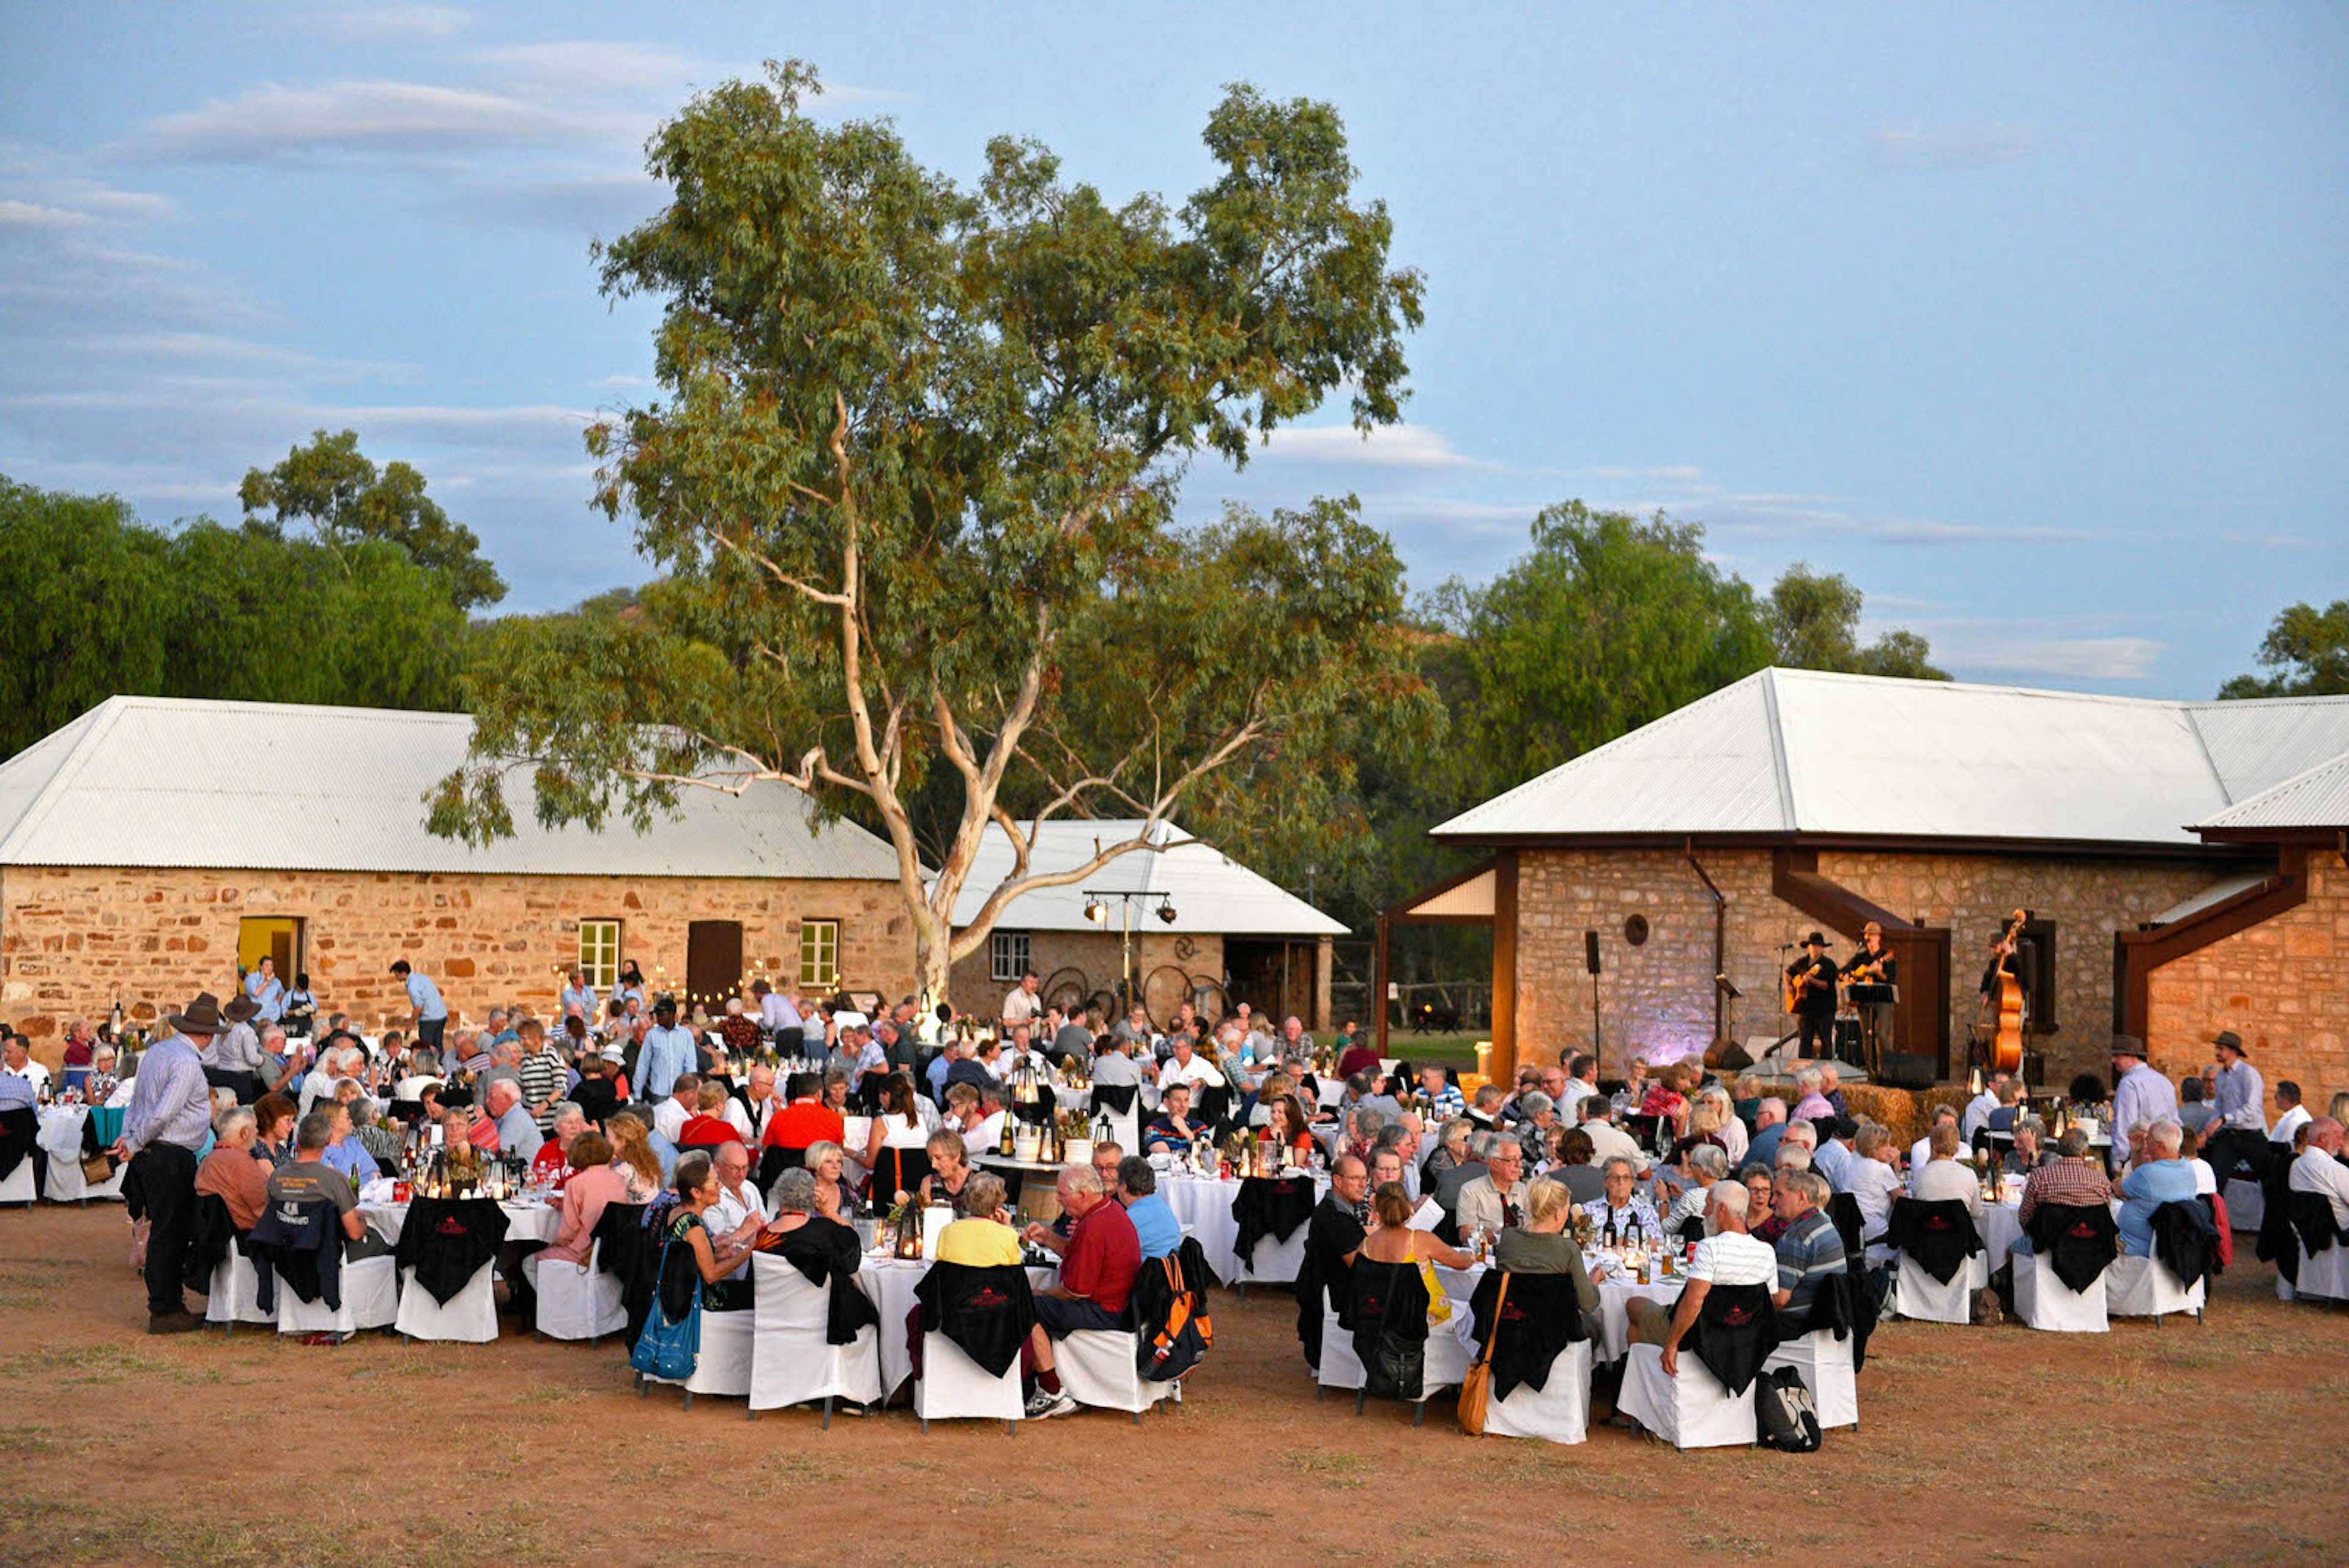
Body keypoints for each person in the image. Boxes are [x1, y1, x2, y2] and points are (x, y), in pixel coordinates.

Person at [113, 992, 225, 1332]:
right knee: (170, 1232)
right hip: (169, 1154)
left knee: (165, 1228)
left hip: (155, 1152)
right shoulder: (187, 1063)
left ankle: (167, 1304)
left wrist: (129, 1136)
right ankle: (165, 1308)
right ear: (205, 1036)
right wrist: (132, 1140)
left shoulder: (157, 1052)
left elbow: (138, 1103)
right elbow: (162, 1113)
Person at [1020, 1165, 1143, 1421]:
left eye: (1063, 1195)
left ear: (1083, 1195)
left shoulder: (1095, 1226)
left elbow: (1076, 1290)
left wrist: (1042, 1294)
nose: (1058, 1199)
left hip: (1105, 1311)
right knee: (1034, 1301)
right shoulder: (1109, 1210)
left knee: (1026, 1305)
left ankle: (1051, 1389)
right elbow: (1077, 1257)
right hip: (1119, 1305)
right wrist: (1047, 1238)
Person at [1630, 1183, 1777, 1369]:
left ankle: (1636, 1385)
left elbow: (1694, 1302)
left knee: (1633, 1305)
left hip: (1703, 1336)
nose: (1704, 1212)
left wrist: (1672, 1344)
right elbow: (1770, 1303)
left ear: (1722, 1209)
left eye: (1708, 1205)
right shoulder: (1767, 1251)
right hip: (1745, 1339)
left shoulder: (1710, 1247)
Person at [265, 1110, 378, 1272]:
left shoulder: (277, 1176)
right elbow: (355, 1233)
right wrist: (363, 1220)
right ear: (327, 1143)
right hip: (326, 1263)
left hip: (285, 1258)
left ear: (298, 1142)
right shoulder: (334, 1179)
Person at [1494, 1176, 1601, 1325]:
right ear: (1558, 1213)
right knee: (1595, 1327)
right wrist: (1594, 1281)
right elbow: (1588, 1304)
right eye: (1567, 1210)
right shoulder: (1568, 1249)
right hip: (1553, 1334)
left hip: (1510, 1327)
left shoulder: (1507, 1239)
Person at [662, 1152, 750, 1309]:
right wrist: (747, 1253)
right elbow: (711, 1275)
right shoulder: (693, 1226)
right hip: (697, 1298)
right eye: (715, 1184)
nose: (721, 1187)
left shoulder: (677, 1211)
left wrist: (720, 1249)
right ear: (696, 1192)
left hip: (681, 1290)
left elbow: (693, 1256)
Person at [2011, 1129, 2113, 1253]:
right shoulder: (2101, 1180)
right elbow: (2105, 1214)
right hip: (2089, 1246)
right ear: (2084, 1152)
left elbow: (2025, 1215)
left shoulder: (2040, 1176)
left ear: (2058, 1149)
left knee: (2011, 1250)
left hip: (2048, 1245)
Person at [535, 1131, 622, 1268]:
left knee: (530, 1263)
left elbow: (568, 1232)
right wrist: (562, 1205)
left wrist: (554, 1243)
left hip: (584, 1251)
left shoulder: (576, 1184)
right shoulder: (620, 1179)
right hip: (614, 1251)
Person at [1769, 1170, 1846, 1322]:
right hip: (1829, 1316)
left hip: (1798, 1323)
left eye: (1779, 1194)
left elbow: (1780, 1300)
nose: (1772, 1201)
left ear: (1802, 1197)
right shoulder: (1823, 1222)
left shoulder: (1797, 1237)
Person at [2115, 1120, 2197, 1256]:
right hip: (2174, 1242)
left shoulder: (2148, 1173)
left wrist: (2115, 1183)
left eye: (2148, 1141)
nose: (2145, 1146)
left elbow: (2119, 1190)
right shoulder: (2187, 1166)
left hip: (2137, 1246)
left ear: (2160, 1145)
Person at [2107, 1035, 2177, 1174]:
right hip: (2167, 1154)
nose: (2113, 1060)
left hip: (2141, 1156)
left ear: (2132, 1056)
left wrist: (2118, 1160)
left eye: (2118, 1056)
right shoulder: (2164, 1081)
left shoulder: (2129, 1083)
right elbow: (2174, 1120)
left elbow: (2125, 1123)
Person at [194, 1107, 270, 1232]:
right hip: (248, 1237)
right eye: (255, 1127)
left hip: (218, 1238)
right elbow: (263, 1205)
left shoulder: (208, 1161)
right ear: (244, 1133)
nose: (257, 1132)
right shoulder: (241, 1162)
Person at [935, 1171, 1022, 1265]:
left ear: (967, 1199)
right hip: (992, 1280)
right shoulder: (1008, 1235)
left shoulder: (947, 1231)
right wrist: (1007, 1229)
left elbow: (939, 1270)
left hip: (956, 1279)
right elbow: (1015, 1272)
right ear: (998, 1206)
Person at [1584, 1154, 1663, 1257]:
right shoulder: (1589, 1210)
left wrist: (1620, 1242)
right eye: (1616, 1178)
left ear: (1632, 1183)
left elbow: (1658, 1245)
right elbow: (1584, 1246)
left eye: (1626, 1178)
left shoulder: (1645, 1211)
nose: (1621, 1182)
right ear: (1606, 1182)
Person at [1455, 1137, 1528, 1238]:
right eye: (1511, 1160)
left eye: (1520, 1159)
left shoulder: (1525, 1191)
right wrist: (1494, 1236)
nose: (1518, 1165)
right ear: (1494, 1163)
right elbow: (1466, 1236)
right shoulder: (1471, 1191)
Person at [1784, 932, 1840, 1058]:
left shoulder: (1828, 965)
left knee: (1826, 1041)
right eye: (1813, 946)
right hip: (1805, 1008)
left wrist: (1811, 981)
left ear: (1822, 948)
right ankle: (1804, 1069)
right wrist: (1789, 987)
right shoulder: (1802, 962)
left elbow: (1827, 985)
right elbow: (1788, 973)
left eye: (1819, 946)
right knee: (1805, 1041)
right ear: (1808, 947)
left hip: (1824, 1008)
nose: (1816, 948)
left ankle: (1826, 1070)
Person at [1845, 1124, 1904, 1243]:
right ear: (1874, 1147)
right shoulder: (1881, 1169)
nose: (1889, 1149)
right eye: (1885, 1145)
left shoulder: (1851, 1164)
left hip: (1852, 1228)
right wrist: (1893, 1164)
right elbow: (1902, 1201)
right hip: (1876, 1230)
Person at [1116, 1156, 1182, 1260]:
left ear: (1124, 1187)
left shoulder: (1130, 1220)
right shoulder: (1162, 1206)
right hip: (1173, 1273)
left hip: (1149, 1274)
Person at [2287, 1118, 2349, 1229]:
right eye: (2339, 1138)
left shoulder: (2297, 1165)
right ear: (2323, 1138)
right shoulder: (2333, 1169)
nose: (2341, 1143)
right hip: (2340, 1240)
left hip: (2309, 1241)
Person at [1909, 1123, 1980, 1219]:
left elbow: (1916, 1209)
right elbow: (1977, 1213)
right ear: (1956, 1149)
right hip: (1959, 1231)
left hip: (1928, 1231)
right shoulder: (1969, 1174)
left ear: (1933, 1148)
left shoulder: (1920, 1175)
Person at [636, 998, 699, 1104]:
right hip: (658, 1092)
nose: (658, 1018)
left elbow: (690, 1064)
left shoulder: (686, 1035)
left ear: (672, 1015)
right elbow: (643, 1064)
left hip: (681, 1092)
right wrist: (638, 1093)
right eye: (657, 1015)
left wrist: (691, 1089)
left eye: (662, 1015)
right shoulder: (652, 1035)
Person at [390, 959, 447, 1056]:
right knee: (438, 1047)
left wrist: (411, 1022)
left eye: (396, 973)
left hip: (430, 1019)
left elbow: (419, 1007)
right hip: (441, 1015)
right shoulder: (420, 977)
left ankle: (429, 1069)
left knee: (426, 1049)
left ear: (403, 973)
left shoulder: (412, 985)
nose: (396, 976)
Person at [607, 1112, 665, 1203]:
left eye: (608, 1137)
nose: (605, 1142)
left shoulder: (623, 1171)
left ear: (622, 1141)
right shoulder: (647, 1163)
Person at [483, 1079, 543, 1161]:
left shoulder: (517, 1118)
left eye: (492, 1097)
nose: (487, 1101)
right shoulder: (506, 1116)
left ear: (507, 1098)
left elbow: (496, 1154)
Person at [533, 1104, 589, 1186]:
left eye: (578, 1121)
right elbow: (534, 1180)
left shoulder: (589, 1149)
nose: (574, 1126)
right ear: (557, 1127)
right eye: (569, 1122)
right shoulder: (547, 1149)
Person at [1143, 1081, 1207, 1154]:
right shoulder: (1154, 1129)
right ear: (1167, 1103)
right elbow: (1166, 1158)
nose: (1183, 1105)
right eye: (1178, 1100)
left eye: (1186, 1100)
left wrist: (1186, 1131)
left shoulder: (1200, 1127)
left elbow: (1208, 1154)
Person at [918, 1129, 975, 1208]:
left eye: (939, 1158)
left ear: (956, 1156)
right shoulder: (929, 1184)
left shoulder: (978, 1184)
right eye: (931, 1159)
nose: (933, 1166)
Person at [677, 1080, 741, 1148]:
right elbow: (742, 1153)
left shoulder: (686, 1126)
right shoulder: (726, 1129)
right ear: (719, 1105)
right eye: (724, 1103)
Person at [1962, 1069, 2011, 1143]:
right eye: (2004, 1084)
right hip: (1979, 1148)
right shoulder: (1989, 1101)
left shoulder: (1983, 1098)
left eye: (2009, 1084)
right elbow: (2007, 1122)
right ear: (1991, 1085)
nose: (2008, 1088)